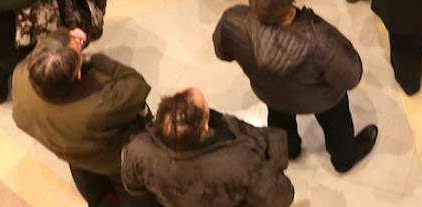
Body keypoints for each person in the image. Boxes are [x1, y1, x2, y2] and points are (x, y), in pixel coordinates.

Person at [215, 0, 378, 172]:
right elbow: (351, 76)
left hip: (271, 94)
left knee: (280, 118)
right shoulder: (321, 41)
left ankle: (289, 150)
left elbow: (223, 53)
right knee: (337, 125)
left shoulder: (232, 21)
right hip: (323, 101)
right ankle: (344, 159)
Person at [11, 29, 152, 207]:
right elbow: (136, 84)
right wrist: (92, 58)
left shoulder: (19, 77)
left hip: (72, 152)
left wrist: (64, 41)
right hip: (112, 160)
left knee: (94, 192)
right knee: (133, 194)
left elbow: (42, 57)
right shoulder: (98, 108)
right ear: (77, 74)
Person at [121, 88, 293, 207]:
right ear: (204, 128)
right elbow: (281, 196)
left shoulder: (138, 150)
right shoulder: (240, 163)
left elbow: (133, 187)